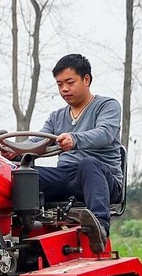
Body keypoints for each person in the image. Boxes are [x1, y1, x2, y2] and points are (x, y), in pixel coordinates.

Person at [36, 54, 123, 239]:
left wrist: (74, 139)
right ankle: (20, 229)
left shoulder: (107, 106)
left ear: (86, 80)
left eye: (70, 82)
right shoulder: (56, 116)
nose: (64, 89)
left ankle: (99, 228)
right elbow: (38, 141)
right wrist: (13, 150)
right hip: (66, 176)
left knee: (88, 163)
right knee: (24, 175)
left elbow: (105, 133)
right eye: (60, 84)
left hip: (100, 177)